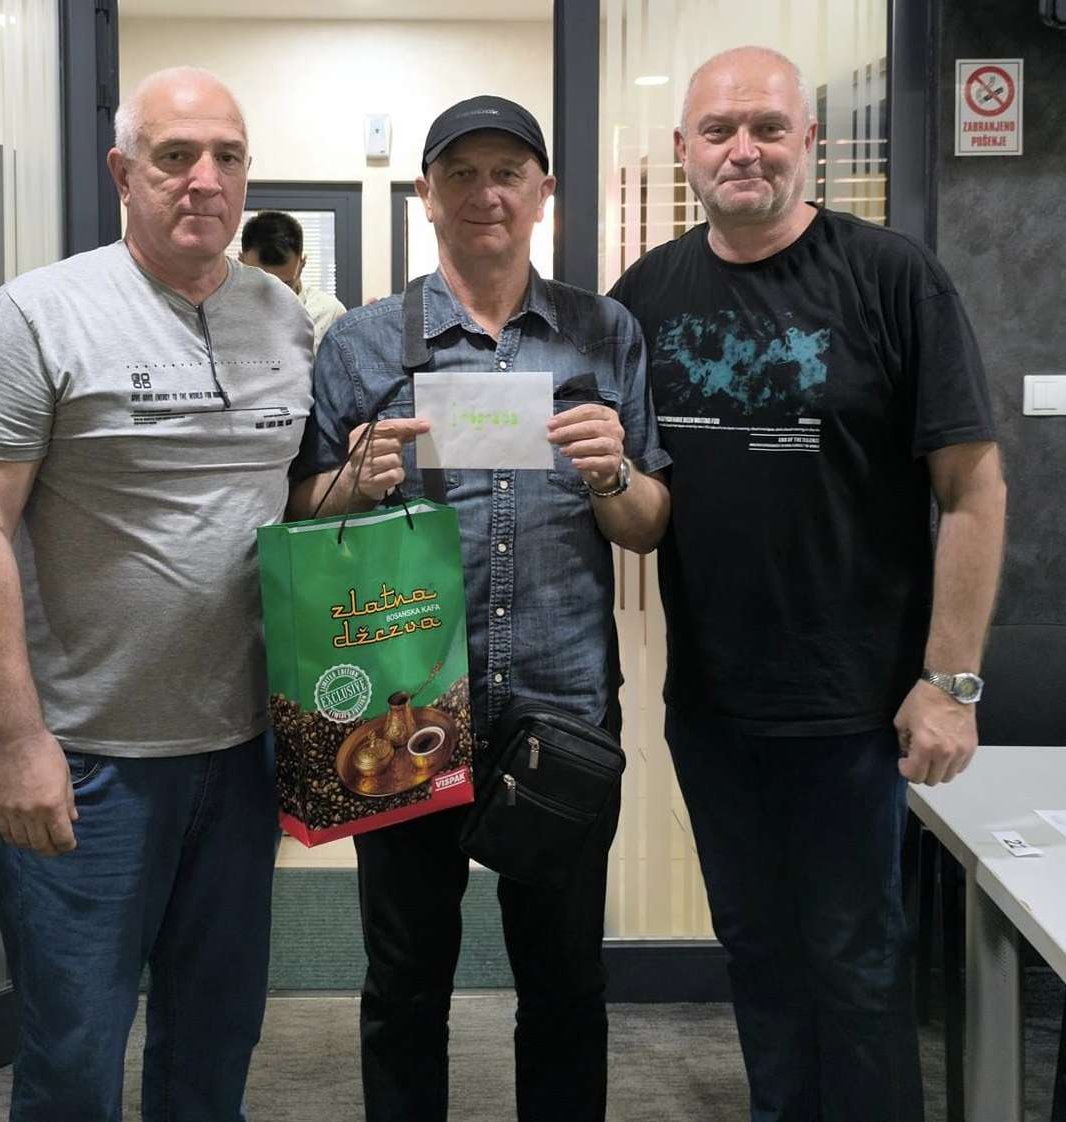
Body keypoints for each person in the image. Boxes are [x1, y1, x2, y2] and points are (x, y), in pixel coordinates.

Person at [609, 46, 1006, 1122]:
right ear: (685, 150)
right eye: (720, 130)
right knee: (759, 953)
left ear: (810, 143)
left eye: (769, 128)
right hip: (712, 703)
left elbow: (973, 491)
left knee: (858, 962)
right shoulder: (644, 297)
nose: (744, 149)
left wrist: (950, 683)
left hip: (859, 706)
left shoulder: (893, 278)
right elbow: (633, 501)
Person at [289, 95, 670, 1122]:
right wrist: (351, 483)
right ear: (426, 194)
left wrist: (613, 472)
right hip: (405, 706)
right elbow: (302, 514)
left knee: (565, 984)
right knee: (404, 981)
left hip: (560, 705)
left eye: (508, 172)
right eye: (460, 173)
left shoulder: (605, 333)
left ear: (544, 193)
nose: (485, 193)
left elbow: (646, 527)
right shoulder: (362, 343)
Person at [0, 67, 313, 1121]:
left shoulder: (282, 319)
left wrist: (358, 484)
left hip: (242, 755)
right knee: (72, 1060)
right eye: (175, 156)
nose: (204, 180)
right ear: (122, 172)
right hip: (89, 761)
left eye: (227, 157)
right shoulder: (39, 314)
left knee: (214, 1046)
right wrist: (16, 740)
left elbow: (282, 500)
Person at [239, 209, 345, 349]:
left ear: (301, 264)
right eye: (261, 282)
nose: (272, 295)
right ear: (241, 261)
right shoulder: (222, 311)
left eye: (285, 284)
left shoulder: (330, 314)